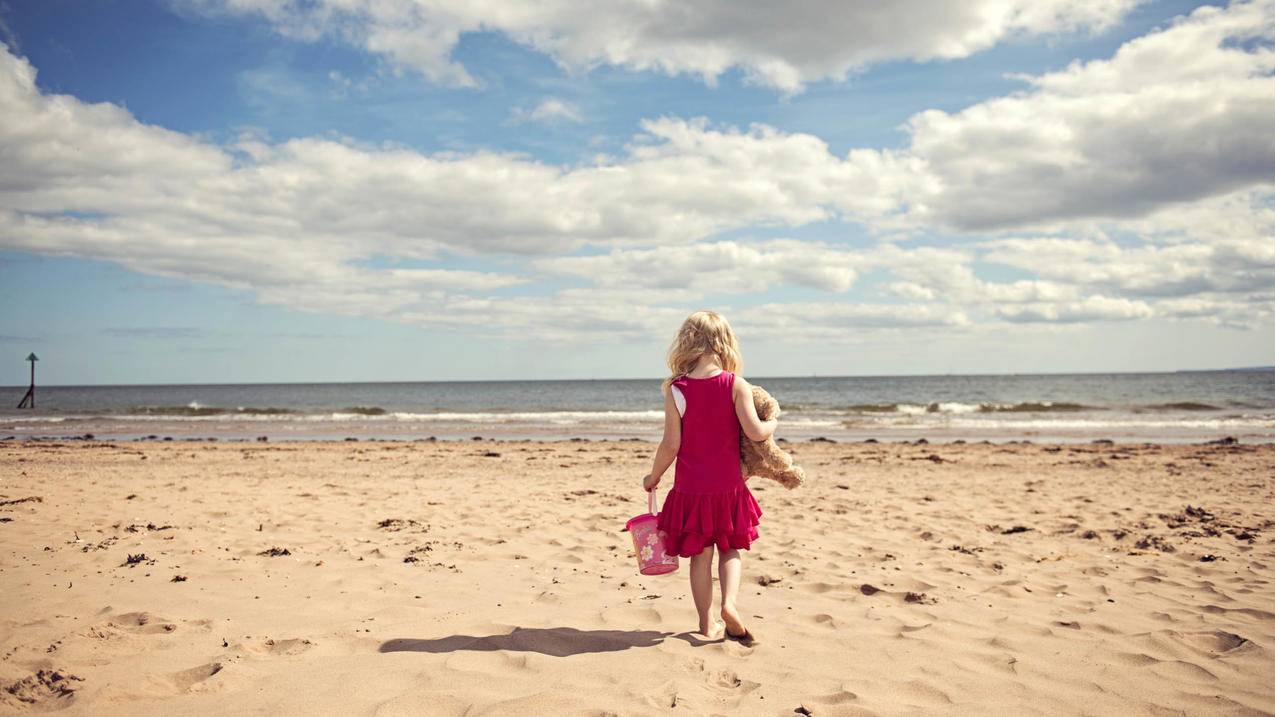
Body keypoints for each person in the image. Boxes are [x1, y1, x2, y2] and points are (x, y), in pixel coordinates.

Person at [642, 310, 776, 644]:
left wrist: (653, 476)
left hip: (691, 491)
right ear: (725, 342)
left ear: (687, 342)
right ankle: (730, 604)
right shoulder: (735, 385)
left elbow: (670, 444)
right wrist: (773, 422)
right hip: (728, 489)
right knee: (731, 551)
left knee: (700, 558)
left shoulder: (677, 389)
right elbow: (756, 433)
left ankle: (706, 622)